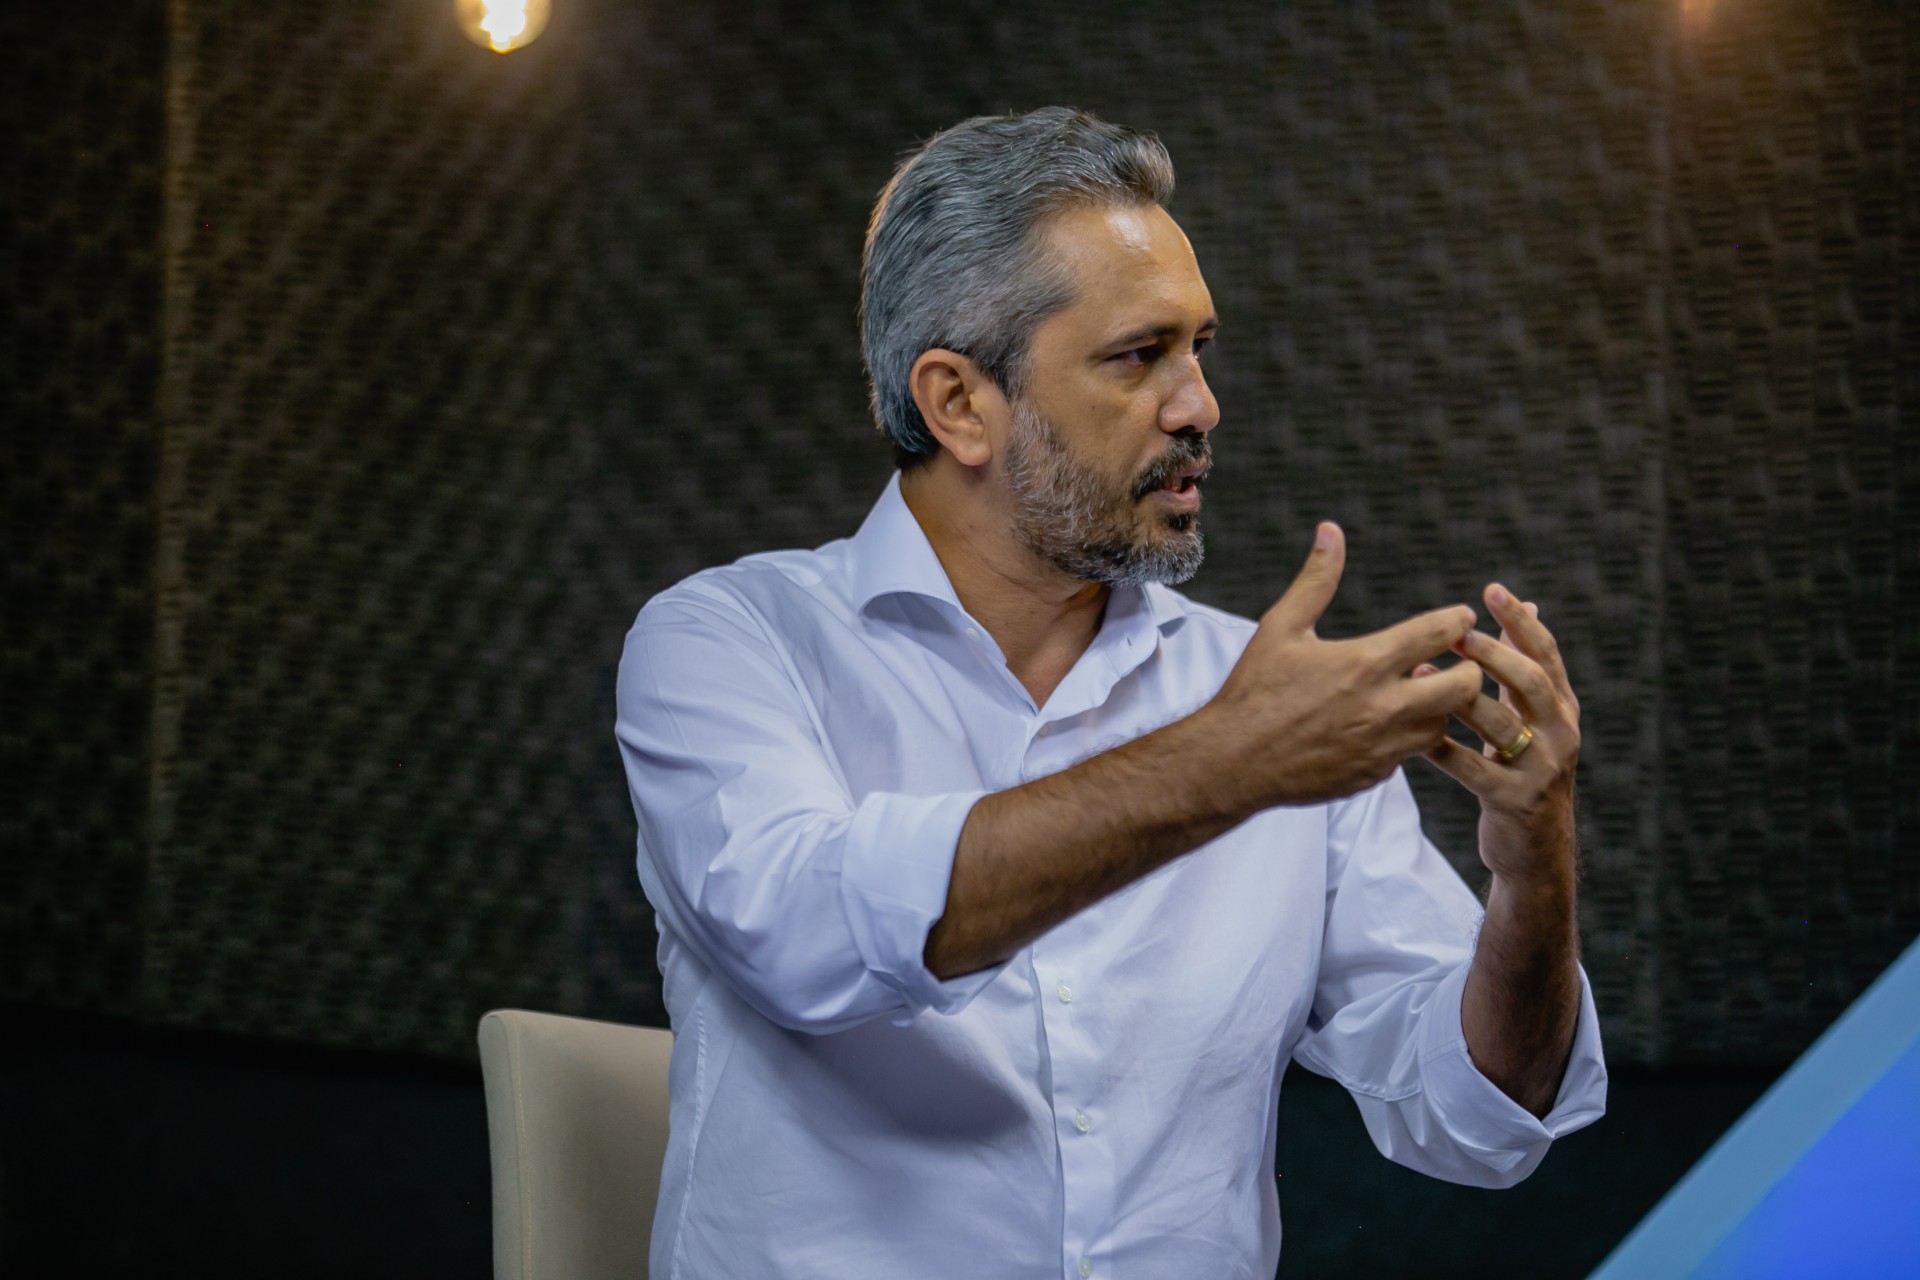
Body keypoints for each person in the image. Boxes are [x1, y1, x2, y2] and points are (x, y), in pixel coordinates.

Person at [615, 106, 1606, 1279]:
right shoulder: (730, 639)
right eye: (1140, 356)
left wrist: (1533, 857)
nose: (1199, 406)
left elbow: (1478, 1111)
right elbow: (806, 934)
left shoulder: (1265, 704)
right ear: (959, 403)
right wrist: (1225, 764)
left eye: (1201, 348)